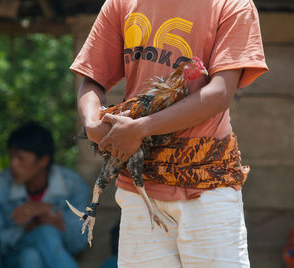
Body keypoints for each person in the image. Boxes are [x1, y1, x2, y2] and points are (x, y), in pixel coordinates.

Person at [70, 0, 268, 266]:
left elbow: (219, 94)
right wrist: (92, 124)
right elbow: (92, 77)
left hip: (206, 186)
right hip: (140, 190)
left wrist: (141, 128)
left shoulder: (232, 5)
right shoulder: (121, 3)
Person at [0, 122, 89, 268]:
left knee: (31, 257)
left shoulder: (73, 185)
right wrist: (27, 227)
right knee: (45, 232)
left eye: (21, 158)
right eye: (11, 157)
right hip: (10, 259)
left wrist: (52, 216)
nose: (13, 164)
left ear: (43, 161)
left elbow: (78, 243)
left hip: (45, 258)